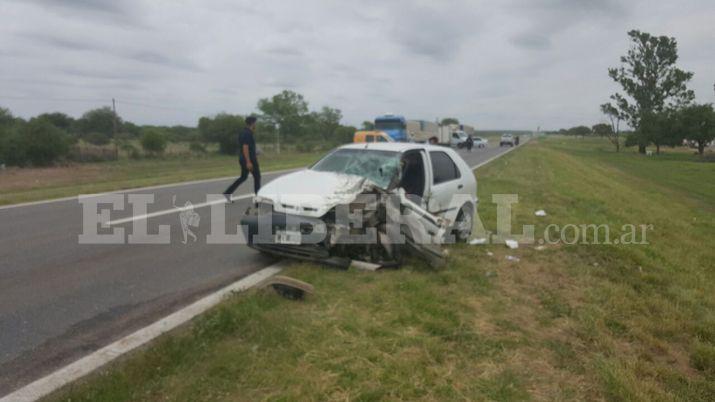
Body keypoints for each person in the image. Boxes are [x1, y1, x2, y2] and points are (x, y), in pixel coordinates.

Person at [223, 116, 260, 202]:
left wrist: (255, 152)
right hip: (249, 160)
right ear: (252, 123)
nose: (256, 124)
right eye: (255, 122)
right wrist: (248, 162)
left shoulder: (244, 132)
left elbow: (247, 147)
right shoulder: (247, 133)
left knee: (243, 177)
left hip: (243, 158)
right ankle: (258, 198)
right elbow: (245, 147)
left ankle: (228, 193)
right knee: (257, 177)